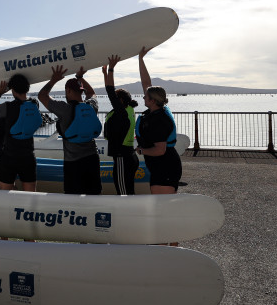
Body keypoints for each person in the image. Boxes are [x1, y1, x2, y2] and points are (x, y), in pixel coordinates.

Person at [136, 47, 182, 247]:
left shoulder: (159, 120)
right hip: (162, 166)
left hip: (165, 166)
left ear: (153, 101)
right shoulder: (159, 109)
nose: (142, 98)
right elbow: (147, 84)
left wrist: (141, 150)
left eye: (145, 97)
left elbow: (160, 150)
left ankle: (165, 250)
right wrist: (140, 59)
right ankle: (170, 249)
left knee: (163, 212)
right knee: (166, 211)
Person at [38, 65, 103, 195]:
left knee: (72, 197)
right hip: (92, 158)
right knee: (94, 194)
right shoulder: (91, 106)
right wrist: (80, 77)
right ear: (81, 91)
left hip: (73, 163)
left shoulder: (64, 109)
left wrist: (54, 80)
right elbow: (91, 93)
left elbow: (42, 95)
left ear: (68, 90)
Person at [0, 74, 42, 192]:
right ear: (27, 88)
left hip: (9, 157)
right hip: (28, 156)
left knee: (6, 195)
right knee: (30, 195)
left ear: (12, 90)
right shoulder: (34, 104)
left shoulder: (7, 107)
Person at [102, 55, 140, 195]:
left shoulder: (121, 113)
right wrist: (105, 74)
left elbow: (110, 91)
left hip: (122, 157)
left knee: (124, 194)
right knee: (128, 191)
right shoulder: (129, 109)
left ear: (121, 100)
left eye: (116, 99)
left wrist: (111, 69)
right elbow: (110, 92)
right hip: (128, 154)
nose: (112, 101)